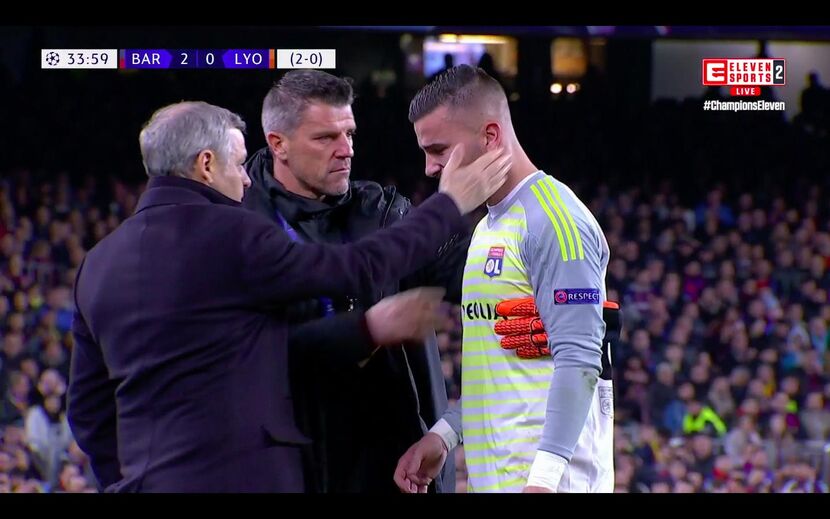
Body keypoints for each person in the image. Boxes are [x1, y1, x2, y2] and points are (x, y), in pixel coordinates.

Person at [66, 100, 511, 492]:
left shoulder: (97, 264)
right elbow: (353, 268)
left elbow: (87, 411)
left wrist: (126, 483)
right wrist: (449, 205)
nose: (246, 180)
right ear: (206, 164)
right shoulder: (234, 233)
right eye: (238, 164)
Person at [242, 69, 469, 493]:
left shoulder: (383, 212)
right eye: (326, 138)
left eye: (349, 134)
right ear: (278, 144)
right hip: (293, 471)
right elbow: (254, 353)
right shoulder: (239, 229)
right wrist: (366, 329)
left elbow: (471, 274)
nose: (346, 150)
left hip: (399, 471)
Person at [394, 65, 615, 493]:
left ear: (490, 136)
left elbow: (579, 359)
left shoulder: (555, 219)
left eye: (438, 150)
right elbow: (502, 366)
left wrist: (543, 482)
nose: (430, 167)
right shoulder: (487, 227)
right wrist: (446, 434)